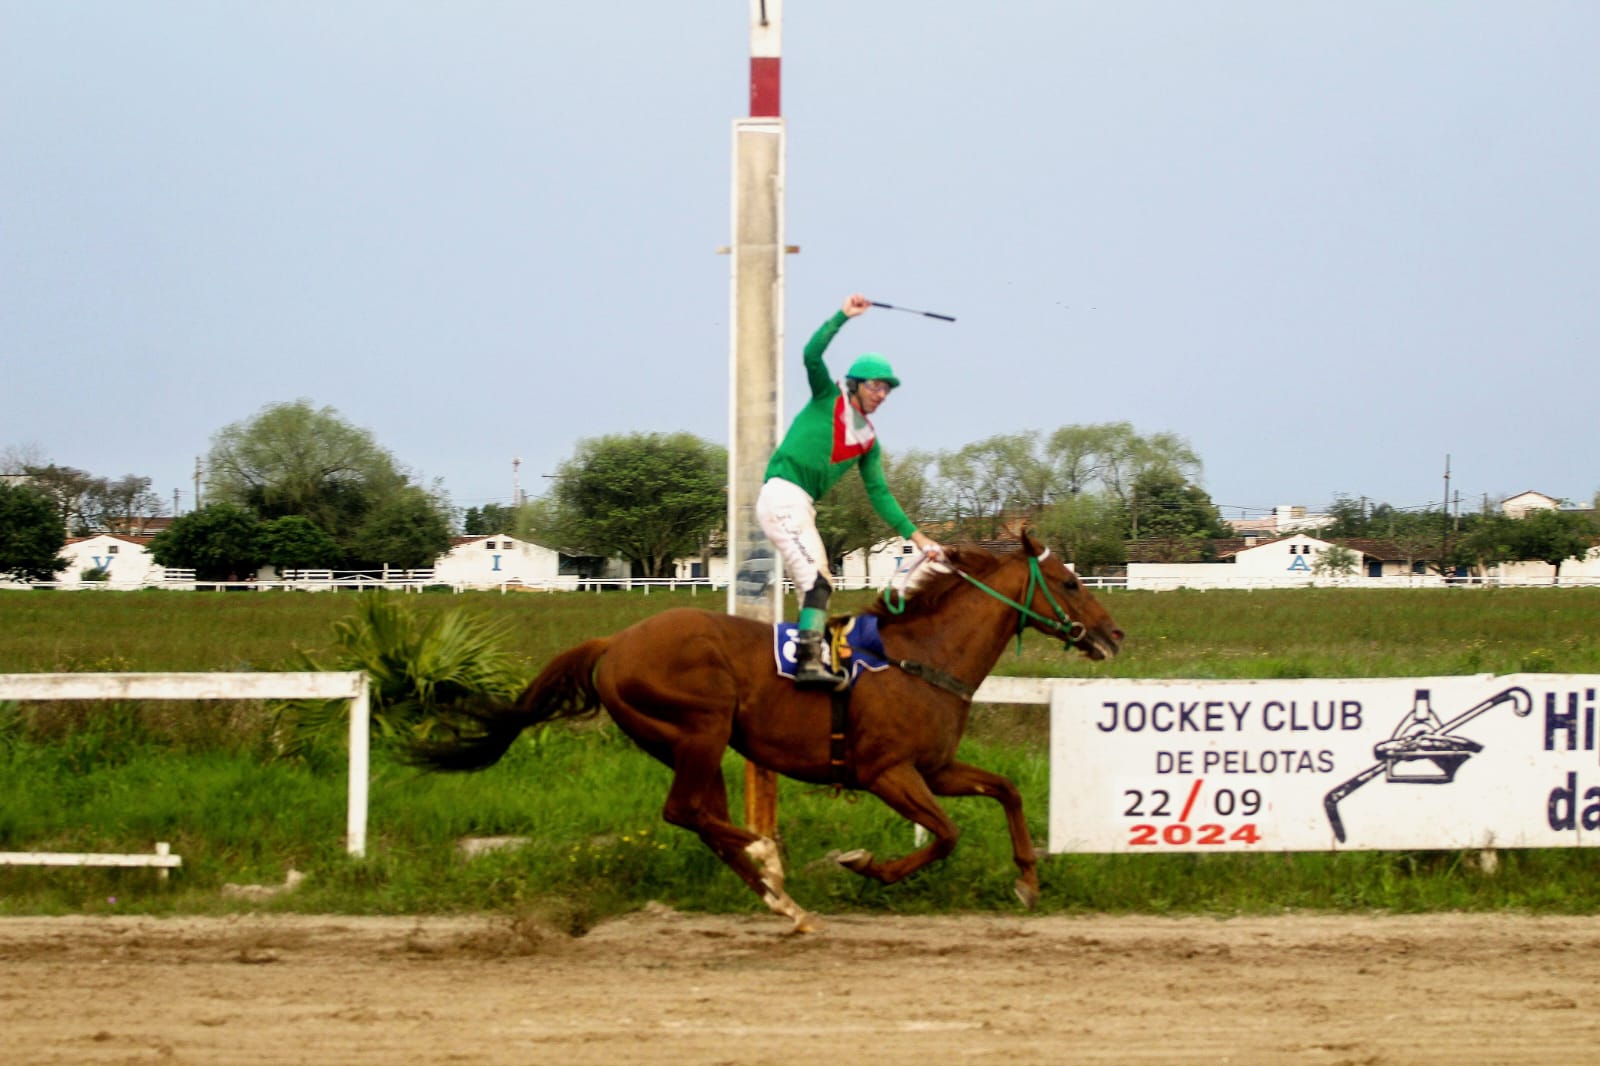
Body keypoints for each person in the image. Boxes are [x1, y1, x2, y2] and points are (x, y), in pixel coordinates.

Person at [757, 293, 943, 688]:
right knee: (818, 581)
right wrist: (843, 316)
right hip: (781, 495)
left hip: (801, 506)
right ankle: (808, 663)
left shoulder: (869, 440)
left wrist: (919, 537)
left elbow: (880, 494)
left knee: (818, 583)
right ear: (855, 385)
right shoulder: (828, 396)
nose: (881, 395)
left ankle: (807, 657)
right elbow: (811, 353)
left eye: (887, 390)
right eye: (876, 386)